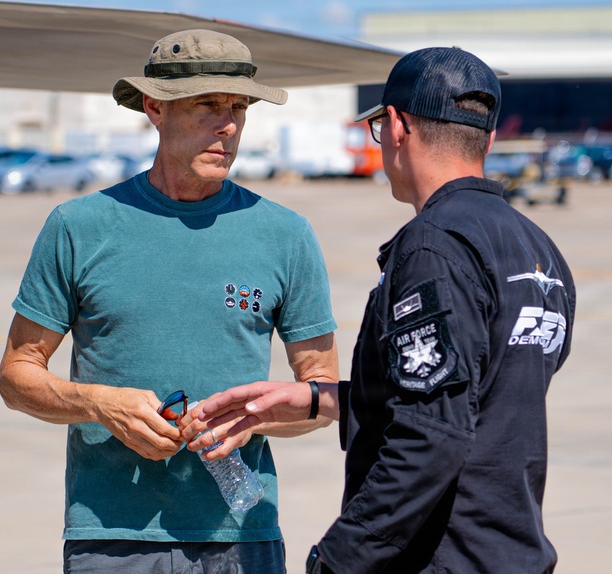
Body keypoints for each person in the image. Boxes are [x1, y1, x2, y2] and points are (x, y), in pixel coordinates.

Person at [186, 47, 577, 573]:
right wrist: (318, 400)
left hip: (442, 558)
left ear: (395, 125)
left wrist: (341, 557)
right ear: (486, 136)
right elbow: (479, 401)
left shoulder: (435, 247)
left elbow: (432, 433)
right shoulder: (537, 249)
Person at [0, 28, 339, 574]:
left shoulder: (286, 235)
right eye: (206, 105)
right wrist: (99, 404)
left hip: (240, 537)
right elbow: (17, 375)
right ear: (155, 107)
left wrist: (251, 419)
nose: (227, 125)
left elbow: (321, 391)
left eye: (238, 107)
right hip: (111, 538)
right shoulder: (78, 226)